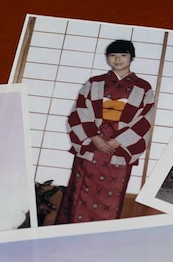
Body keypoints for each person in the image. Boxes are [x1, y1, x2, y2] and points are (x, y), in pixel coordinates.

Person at [55, 39, 156, 224]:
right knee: (78, 197)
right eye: (112, 55)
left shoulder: (144, 88)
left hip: (119, 150)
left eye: (123, 55)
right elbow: (79, 112)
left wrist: (118, 141)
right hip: (91, 145)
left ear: (132, 57)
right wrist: (94, 137)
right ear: (107, 58)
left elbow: (144, 121)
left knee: (111, 199)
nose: (117, 59)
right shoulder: (94, 83)